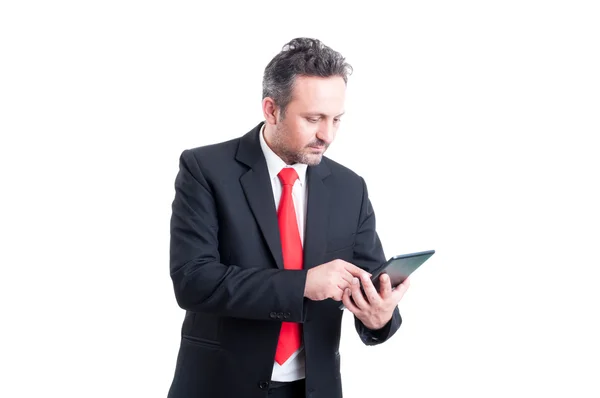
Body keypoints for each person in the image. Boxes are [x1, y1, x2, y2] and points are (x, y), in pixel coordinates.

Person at [167, 37, 410, 398]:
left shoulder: (349, 187)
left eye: (336, 120)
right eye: (313, 119)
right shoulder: (205, 169)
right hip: (221, 386)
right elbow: (194, 281)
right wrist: (303, 285)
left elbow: (369, 283)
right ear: (271, 109)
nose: (326, 135)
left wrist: (379, 318)